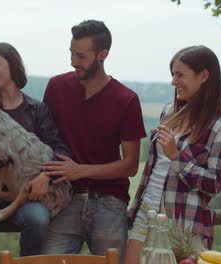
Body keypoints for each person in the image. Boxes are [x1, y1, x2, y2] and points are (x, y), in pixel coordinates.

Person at [0, 42, 72, 264]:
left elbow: (59, 148)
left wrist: (45, 176)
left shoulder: (37, 110)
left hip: (24, 190)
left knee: (38, 220)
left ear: (13, 64)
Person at [41, 20, 146, 260]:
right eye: (71, 53)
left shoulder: (126, 100)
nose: (73, 61)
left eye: (81, 56)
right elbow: (43, 140)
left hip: (109, 202)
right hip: (64, 200)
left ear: (103, 55)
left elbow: (130, 165)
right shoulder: (56, 87)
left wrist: (80, 171)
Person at [125, 45, 221, 263]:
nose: (173, 81)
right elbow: (152, 168)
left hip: (185, 225)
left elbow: (215, 184)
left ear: (203, 76)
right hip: (147, 213)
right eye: (172, 74)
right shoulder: (169, 111)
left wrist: (176, 157)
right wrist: (136, 207)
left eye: (179, 75)